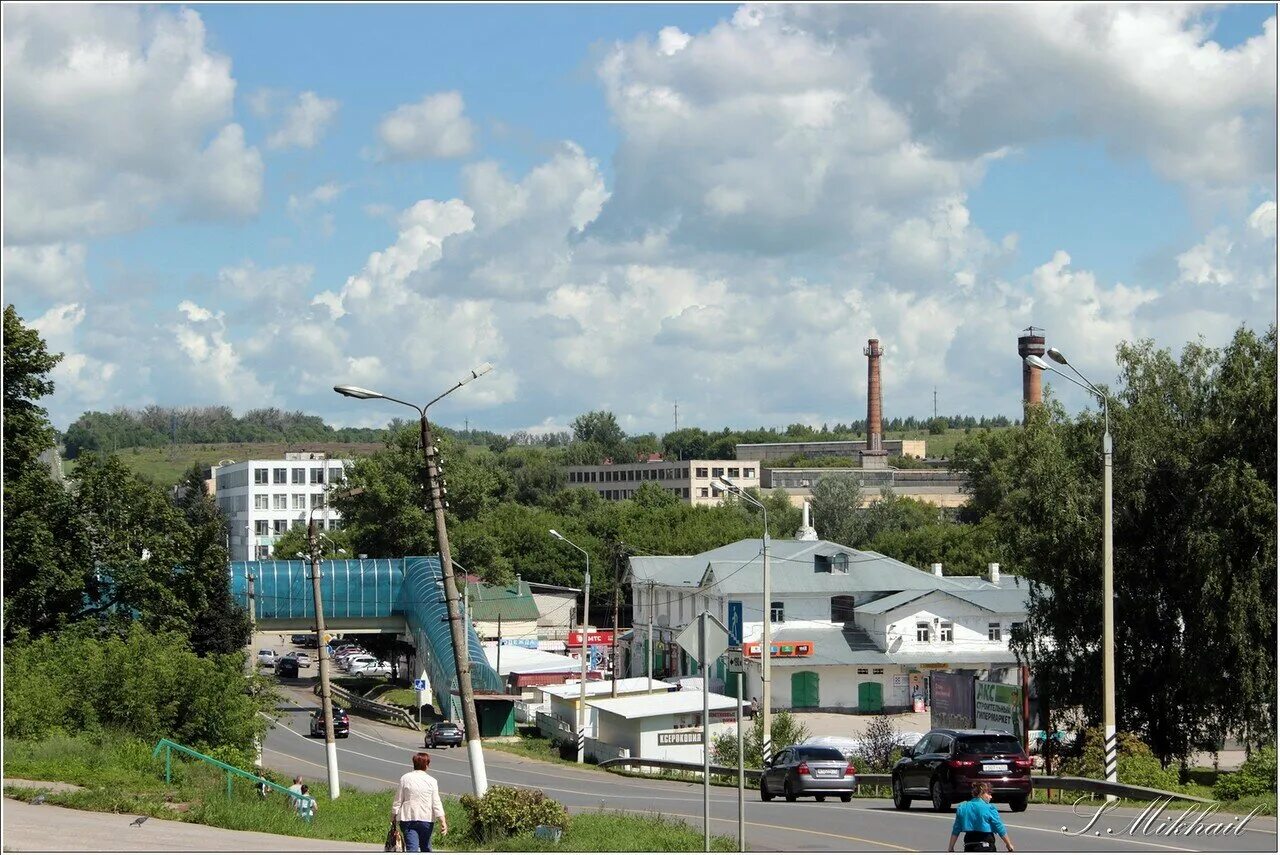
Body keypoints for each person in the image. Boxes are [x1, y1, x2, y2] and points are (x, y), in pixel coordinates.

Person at [392, 752, 448, 852]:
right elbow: (436, 803)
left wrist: (393, 818)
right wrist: (442, 821)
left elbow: (398, 800)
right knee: (425, 847)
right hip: (426, 819)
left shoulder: (405, 778)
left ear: (414, 764)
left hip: (408, 818)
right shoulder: (432, 781)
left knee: (412, 848)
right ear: (427, 765)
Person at [948, 782, 1014, 852]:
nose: (991, 797)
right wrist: (1008, 844)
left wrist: (951, 847)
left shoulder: (962, 808)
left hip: (969, 845)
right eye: (989, 794)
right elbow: (999, 827)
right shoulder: (989, 808)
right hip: (986, 845)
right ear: (981, 793)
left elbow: (956, 829)